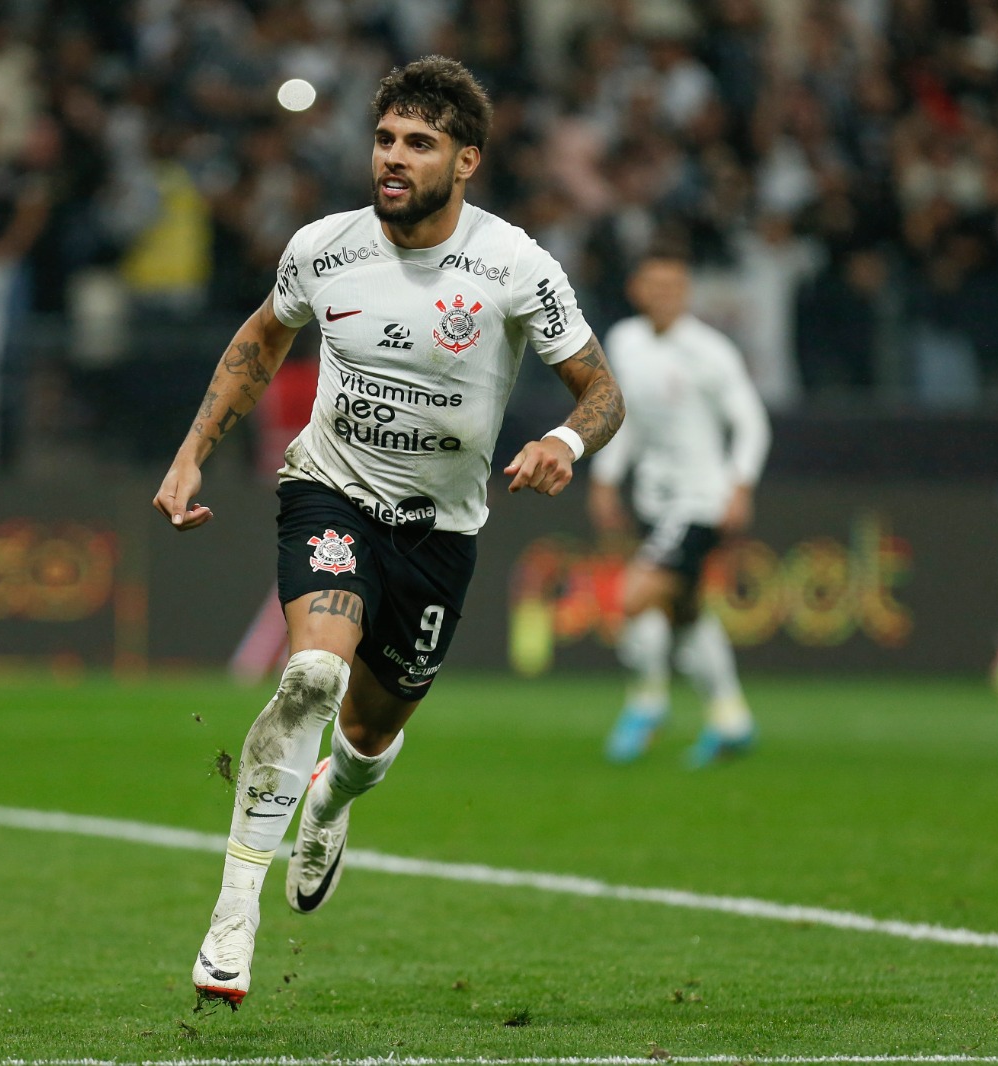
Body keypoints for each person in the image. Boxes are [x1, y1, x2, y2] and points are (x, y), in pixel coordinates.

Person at [153, 56, 624, 1008]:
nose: (394, 160)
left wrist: (567, 440)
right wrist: (192, 449)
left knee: (367, 740)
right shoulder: (325, 247)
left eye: (419, 144)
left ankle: (330, 800)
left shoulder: (515, 266)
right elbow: (259, 342)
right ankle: (233, 912)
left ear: (467, 161)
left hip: (440, 531)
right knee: (314, 674)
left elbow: (604, 392)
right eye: (384, 140)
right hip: (332, 494)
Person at [587, 245, 770, 768]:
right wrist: (605, 479)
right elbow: (628, 417)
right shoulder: (624, 341)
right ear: (637, 291)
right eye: (654, 286)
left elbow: (752, 422)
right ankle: (732, 720)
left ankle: (647, 704)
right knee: (687, 616)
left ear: (686, 293)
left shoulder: (710, 352)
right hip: (655, 497)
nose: (664, 296)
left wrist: (740, 486)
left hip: (701, 500)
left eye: (674, 287)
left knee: (637, 595)